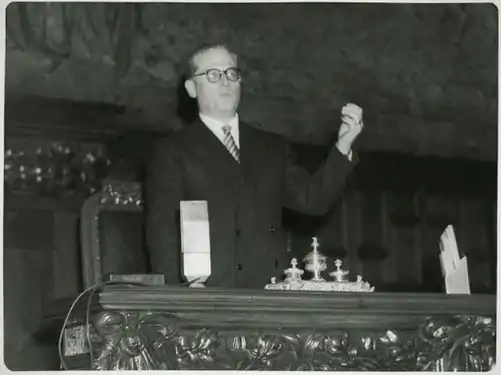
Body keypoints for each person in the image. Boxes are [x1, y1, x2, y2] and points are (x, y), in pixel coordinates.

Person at [145, 43, 364, 288]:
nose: (225, 82)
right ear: (191, 88)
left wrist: (343, 145)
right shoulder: (172, 150)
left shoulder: (272, 146)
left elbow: (313, 201)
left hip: (267, 293)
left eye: (232, 74)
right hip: (207, 295)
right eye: (213, 75)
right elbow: (162, 232)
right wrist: (180, 295)